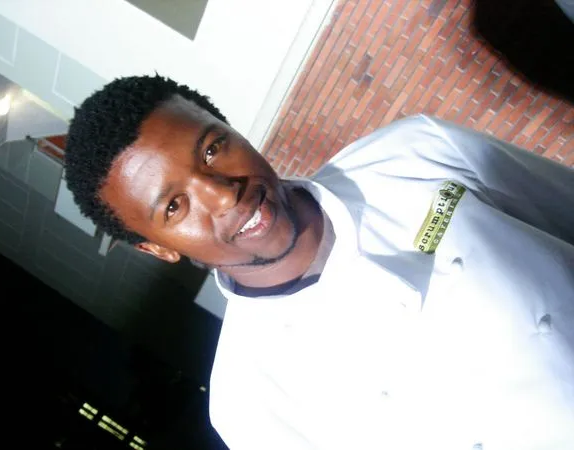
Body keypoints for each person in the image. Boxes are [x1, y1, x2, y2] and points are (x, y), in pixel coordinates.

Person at [65, 75, 574, 450]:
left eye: (214, 149)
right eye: (175, 206)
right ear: (157, 247)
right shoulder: (249, 401)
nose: (223, 195)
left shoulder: (415, 152)